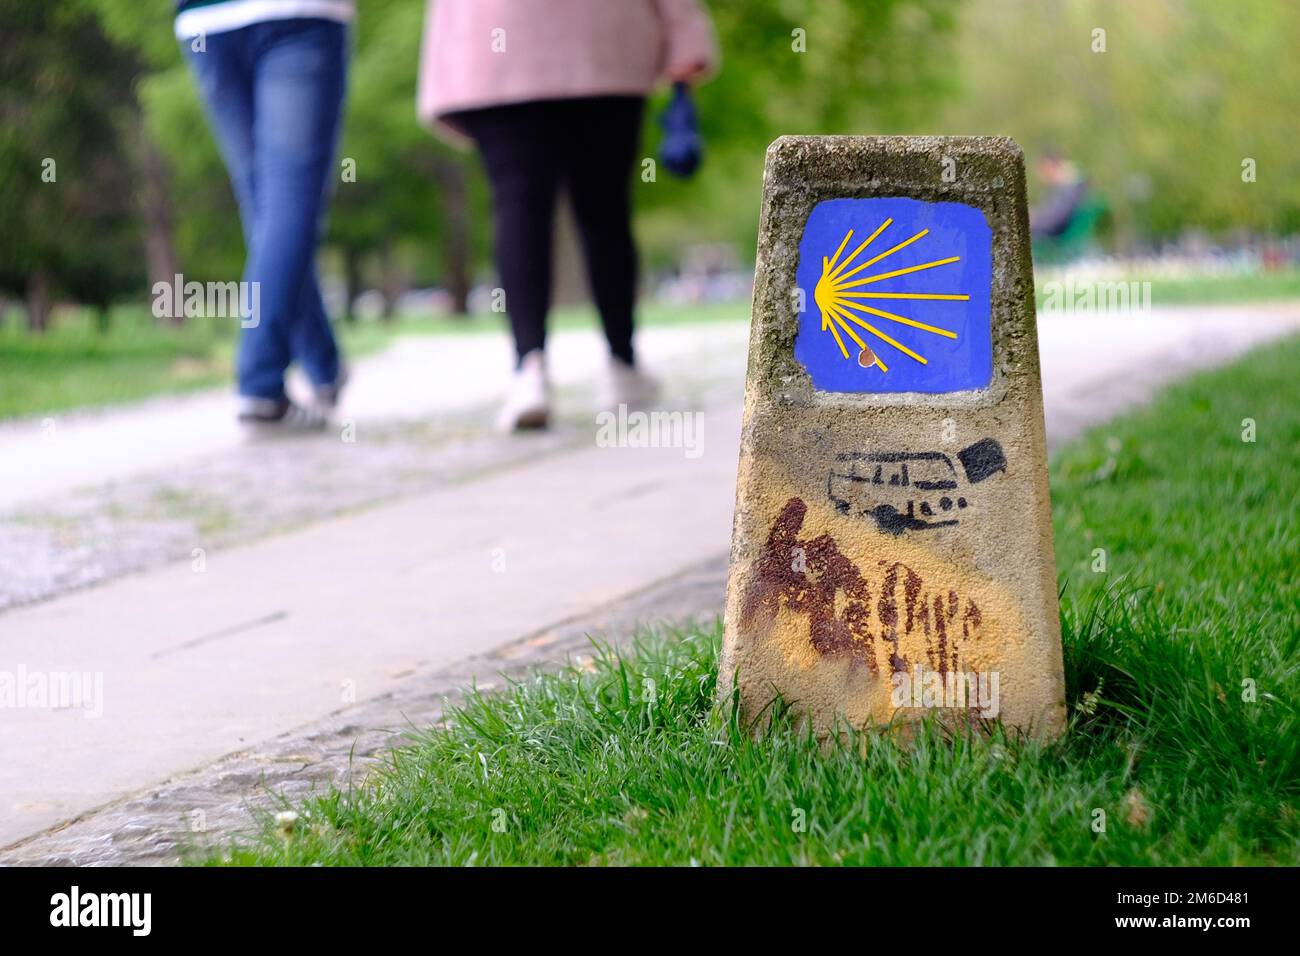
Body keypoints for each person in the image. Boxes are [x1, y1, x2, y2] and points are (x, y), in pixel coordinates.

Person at [417, 0, 719, 431]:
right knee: (606, 211)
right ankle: (621, 363)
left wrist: (442, 68)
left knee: (517, 205)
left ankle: (529, 369)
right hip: (604, 40)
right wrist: (687, 36)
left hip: (494, 40)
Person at [176, 0, 353, 430]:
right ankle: (260, 383)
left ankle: (323, 362)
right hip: (295, 12)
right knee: (288, 201)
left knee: (266, 202)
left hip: (206, 21)